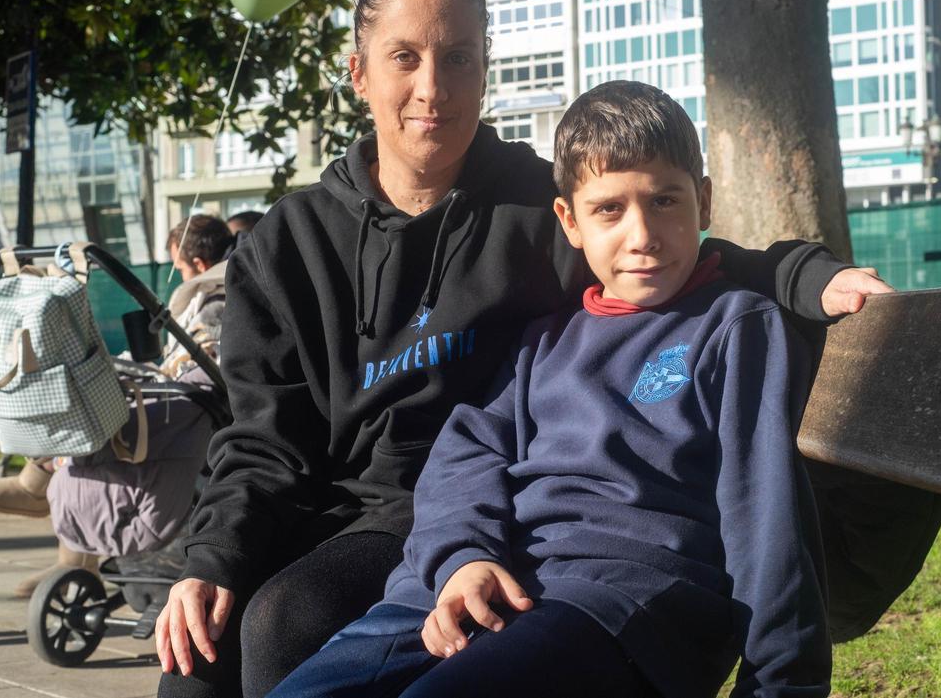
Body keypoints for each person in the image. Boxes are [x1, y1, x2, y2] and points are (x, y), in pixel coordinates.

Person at [154, 0, 887, 698]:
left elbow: (676, 257)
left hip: (458, 520)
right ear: (359, 73)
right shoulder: (286, 242)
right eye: (405, 57)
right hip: (369, 516)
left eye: (459, 58)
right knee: (195, 661)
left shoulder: (538, 208)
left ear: (484, 71)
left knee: (284, 623)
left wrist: (804, 273)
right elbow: (262, 439)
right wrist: (211, 558)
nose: (433, 87)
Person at [268, 80, 830, 698]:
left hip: (618, 604)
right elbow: (466, 455)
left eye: (666, 201)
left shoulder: (735, 327)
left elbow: (765, 507)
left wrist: (781, 682)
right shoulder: (544, 339)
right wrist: (463, 558)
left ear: (705, 201)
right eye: (609, 210)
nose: (642, 234)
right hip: (481, 587)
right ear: (570, 221)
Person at [0, 215, 233, 591]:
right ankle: (70, 558)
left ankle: (44, 500)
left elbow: (205, 367)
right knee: (87, 403)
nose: (176, 271)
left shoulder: (217, 303)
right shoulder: (207, 298)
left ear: (200, 265)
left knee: (93, 416)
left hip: (198, 406)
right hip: (186, 393)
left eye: (179, 265)